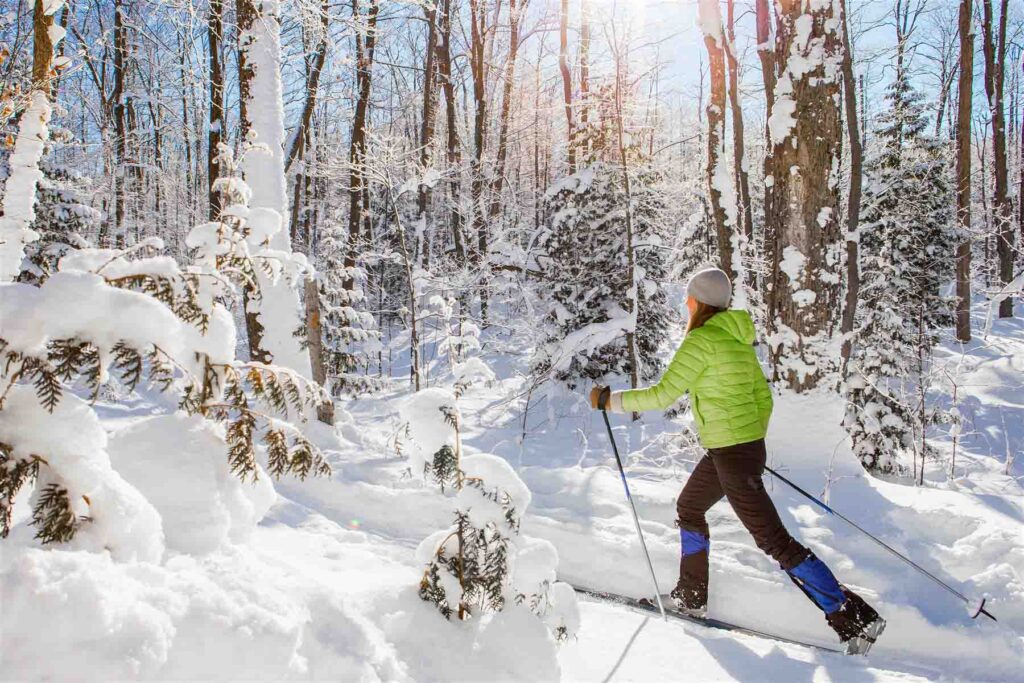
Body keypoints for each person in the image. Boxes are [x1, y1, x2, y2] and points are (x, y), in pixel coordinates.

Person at [589, 266, 885, 650]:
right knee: (690, 507)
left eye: (688, 298)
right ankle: (691, 597)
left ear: (697, 302)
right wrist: (748, 443)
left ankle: (854, 618)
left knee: (773, 541)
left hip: (731, 453)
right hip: (734, 450)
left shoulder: (701, 342)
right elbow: (764, 399)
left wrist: (608, 401)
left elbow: (663, 395)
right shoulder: (737, 340)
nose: (686, 303)